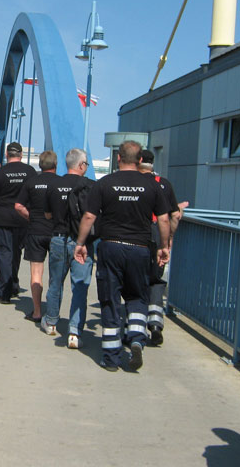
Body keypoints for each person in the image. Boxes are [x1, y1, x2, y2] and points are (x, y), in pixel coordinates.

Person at [74, 140, 170, 372]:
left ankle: (111, 357)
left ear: (118, 158)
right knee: (137, 295)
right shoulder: (152, 185)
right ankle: (136, 339)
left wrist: (80, 243)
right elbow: (164, 219)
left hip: (111, 246)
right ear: (140, 160)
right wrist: (164, 246)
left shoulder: (104, 183)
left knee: (110, 298)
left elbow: (89, 216)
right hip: (140, 248)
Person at [43, 148, 94, 346]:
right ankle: (74, 332)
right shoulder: (90, 186)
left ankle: (51, 322)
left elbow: (47, 214)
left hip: (58, 238)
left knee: (56, 282)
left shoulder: (54, 185)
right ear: (81, 165)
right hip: (82, 242)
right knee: (80, 286)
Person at [137, 149, 183, 346]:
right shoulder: (164, 184)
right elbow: (175, 215)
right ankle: (155, 323)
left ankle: (135, 326)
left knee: (136, 280)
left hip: (136, 236)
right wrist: (169, 239)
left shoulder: (132, 182)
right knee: (156, 280)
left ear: (138, 161)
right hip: (157, 236)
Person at [0, 142, 37, 304]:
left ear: (7, 154)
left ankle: (4, 293)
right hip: (23, 218)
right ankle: (14, 284)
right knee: (16, 252)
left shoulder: (0, 173)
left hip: (3, 217)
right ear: (21, 155)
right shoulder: (30, 172)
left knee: (5, 253)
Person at [14, 150, 59, 323]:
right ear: (55, 164)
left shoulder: (31, 182)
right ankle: (53, 312)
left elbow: (18, 206)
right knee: (56, 274)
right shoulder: (61, 182)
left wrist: (31, 217)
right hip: (56, 232)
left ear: (40, 165)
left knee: (36, 272)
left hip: (35, 231)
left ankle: (37, 312)